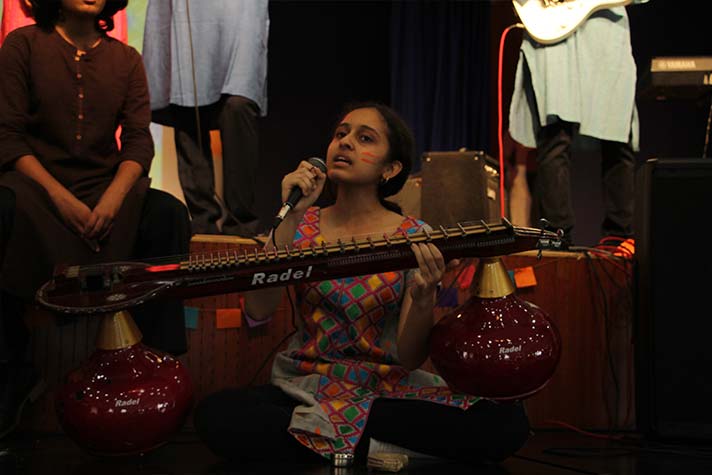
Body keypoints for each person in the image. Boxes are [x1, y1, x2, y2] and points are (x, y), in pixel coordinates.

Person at [193, 102, 530, 466]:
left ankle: (327, 443)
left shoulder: (414, 235)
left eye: (365, 138)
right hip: (307, 387)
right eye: (341, 134)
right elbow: (258, 312)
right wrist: (290, 215)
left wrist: (422, 297)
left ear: (391, 169)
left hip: (387, 392)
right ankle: (375, 449)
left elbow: (409, 357)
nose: (345, 142)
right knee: (218, 413)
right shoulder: (301, 225)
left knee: (506, 422)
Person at [0, 0, 190, 438]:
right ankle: (11, 370)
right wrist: (59, 198)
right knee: (2, 208)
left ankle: (160, 364)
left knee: (167, 213)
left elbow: (139, 142)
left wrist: (113, 199)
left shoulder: (126, 59)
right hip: (37, 189)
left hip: (106, 193)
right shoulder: (23, 44)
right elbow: (7, 137)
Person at [509, 2, 648, 245]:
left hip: (605, 31)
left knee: (617, 136)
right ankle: (557, 239)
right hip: (550, 28)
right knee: (554, 136)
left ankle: (618, 240)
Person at [142, 0, 269, 237]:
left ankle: (240, 224)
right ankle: (203, 222)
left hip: (239, 13)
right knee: (187, 100)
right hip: (189, 16)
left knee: (238, 105)